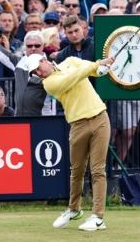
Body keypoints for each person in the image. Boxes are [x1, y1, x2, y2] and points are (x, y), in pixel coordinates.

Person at [28, 52, 115, 232]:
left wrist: (104, 67)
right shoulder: (49, 84)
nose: (38, 73)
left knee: (97, 170)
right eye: (34, 72)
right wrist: (97, 63)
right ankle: (74, 209)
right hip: (78, 125)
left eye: (37, 68)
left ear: (44, 60)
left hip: (100, 118)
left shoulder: (72, 61)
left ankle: (98, 217)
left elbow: (94, 71)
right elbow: (75, 77)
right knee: (77, 171)